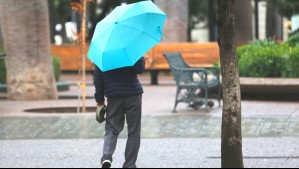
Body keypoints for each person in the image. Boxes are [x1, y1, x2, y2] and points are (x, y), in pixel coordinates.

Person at [93, 56, 147, 168]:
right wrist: (141, 59)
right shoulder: (130, 48)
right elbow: (139, 69)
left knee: (111, 128)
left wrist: (99, 100)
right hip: (133, 95)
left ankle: (106, 156)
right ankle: (129, 164)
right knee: (134, 131)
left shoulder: (102, 53)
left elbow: (98, 79)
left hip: (114, 96)